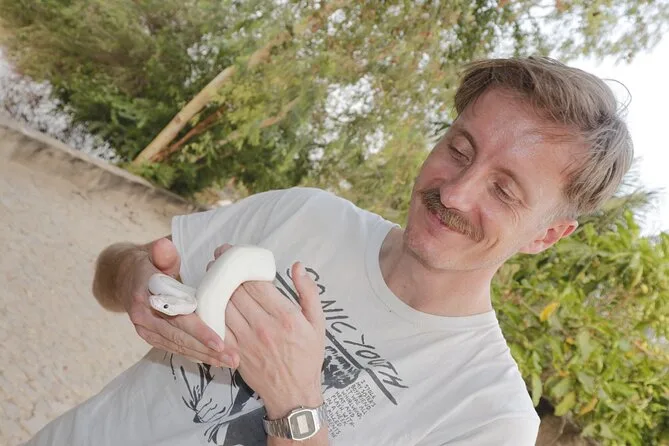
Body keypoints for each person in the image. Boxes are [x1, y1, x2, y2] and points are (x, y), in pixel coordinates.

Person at [26, 56, 633, 446]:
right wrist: (136, 278)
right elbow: (110, 274)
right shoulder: (306, 213)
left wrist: (296, 406)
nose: (454, 192)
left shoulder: (489, 416)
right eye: (459, 149)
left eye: (504, 190)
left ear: (547, 235)